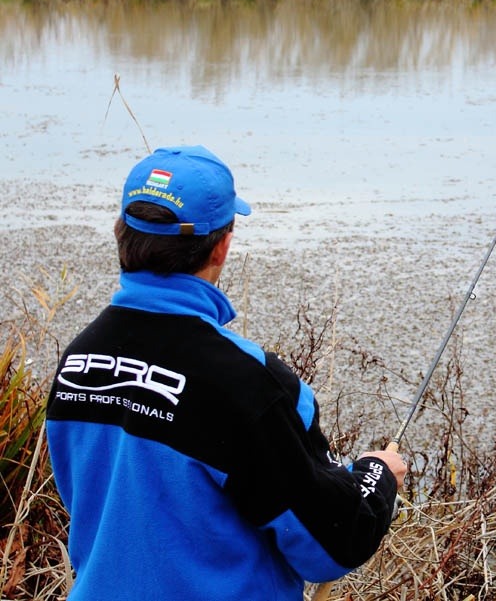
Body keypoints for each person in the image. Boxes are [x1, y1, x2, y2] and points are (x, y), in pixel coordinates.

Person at [46, 145, 407, 600]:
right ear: (222, 245)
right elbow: (333, 545)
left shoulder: (78, 360)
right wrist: (377, 477)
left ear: (122, 233)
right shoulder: (249, 385)